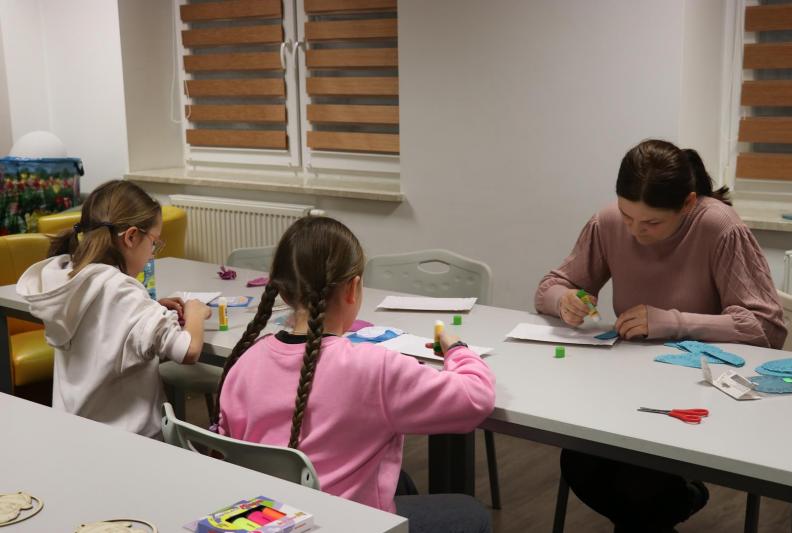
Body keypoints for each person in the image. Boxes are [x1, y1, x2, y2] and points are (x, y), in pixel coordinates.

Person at [535, 139, 786, 532]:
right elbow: (550, 287)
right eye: (627, 216)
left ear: (687, 204)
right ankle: (677, 502)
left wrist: (671, 321)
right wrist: (564, 300)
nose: (636, 231)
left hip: (702, 392)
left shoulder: (719, 226)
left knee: (638, 484)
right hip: (628, 387)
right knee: (580, 462)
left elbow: (766, 328)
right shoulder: (608, 222)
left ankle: (673, 501)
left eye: (652, 223)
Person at [216, 216, 495, 533]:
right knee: (472, 513)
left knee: (401, 481)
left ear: (282, 291)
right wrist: (457, 348)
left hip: (266, 519)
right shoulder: (373, 368)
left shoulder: (245, 362)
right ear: (353, 288)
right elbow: (476, 398)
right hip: (345, 523)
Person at [17, 180, 210, 438]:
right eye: (153, 243)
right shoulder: (122, 291)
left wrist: (149, 309)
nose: (152, 253)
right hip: (131, 442)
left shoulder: (71, 279)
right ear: (131, 237)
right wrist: (196, 312)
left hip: (76, 434)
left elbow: (106, 321)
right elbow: (187, 350)